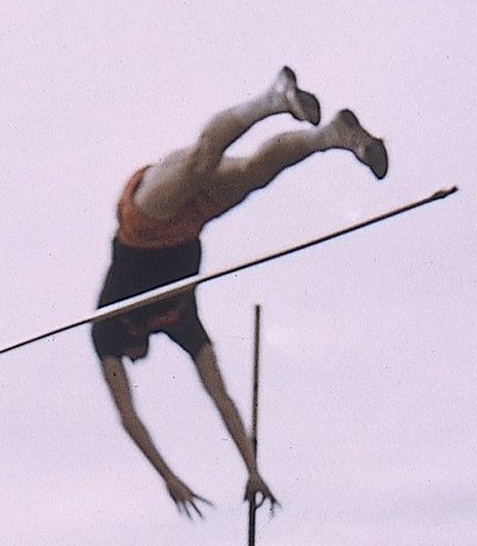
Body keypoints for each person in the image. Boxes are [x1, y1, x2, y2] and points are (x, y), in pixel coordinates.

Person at [94, 69, 387, 517]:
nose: (133, 362)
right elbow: (221, 396)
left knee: (198, 164)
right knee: (254, 173)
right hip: (190, 225)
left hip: (144, 220)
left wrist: (167, 476)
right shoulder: (180, 321)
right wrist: (251, 468)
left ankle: (273, 99)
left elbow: (128, 417)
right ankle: (334, 136)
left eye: (130, 362)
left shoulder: (107, 331)